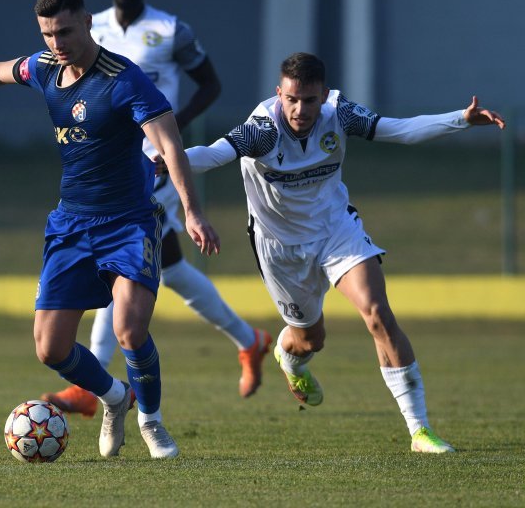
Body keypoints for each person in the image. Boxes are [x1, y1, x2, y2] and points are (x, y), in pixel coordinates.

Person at [0, 0, 219, 460]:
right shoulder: (44, 68)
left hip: (129, 222)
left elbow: (170, 144)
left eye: (65, 31)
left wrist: (194, 211)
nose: (57, 42)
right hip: (71, 224)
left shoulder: (125, 79)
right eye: (48, 34)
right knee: (50, 349)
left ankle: (152, 421)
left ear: (87, 22)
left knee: (130, 328)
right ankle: (117, 397)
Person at [177, 52, 505, 453]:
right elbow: (212, 154)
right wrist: (163, 160)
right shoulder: (262, 129)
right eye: (292, 99)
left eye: (309, 100)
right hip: (279, 248)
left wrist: (460, 118)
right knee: (310, 339)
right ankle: (288, 356)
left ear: (322, 96)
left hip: (336, 230)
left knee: (378, 313)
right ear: (278, 93)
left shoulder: (340, 113)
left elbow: (399, 130)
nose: (300, 109)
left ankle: (420, 431)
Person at [41, 0, 272, 420]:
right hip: (107, 166)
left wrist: (174, 126)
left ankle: (95, 383)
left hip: (153, 164)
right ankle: (249, 340)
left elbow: (210, 83)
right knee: (168, 270)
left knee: (122, 263)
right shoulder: (87, 27)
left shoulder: (170, 31)